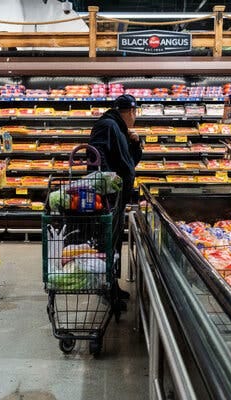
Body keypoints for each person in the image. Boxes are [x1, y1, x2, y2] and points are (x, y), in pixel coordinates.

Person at [88, 94, 143, 308]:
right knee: (107, 243)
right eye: (135, 113)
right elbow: (95, 155)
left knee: (114, 242)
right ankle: (106, 289)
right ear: (131, 112)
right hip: (109, 199)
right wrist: (108, 183)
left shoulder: (119, 129)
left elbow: (131, 162)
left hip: (117, 198)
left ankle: (113, 285)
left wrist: (136, 143)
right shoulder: (107, 125)